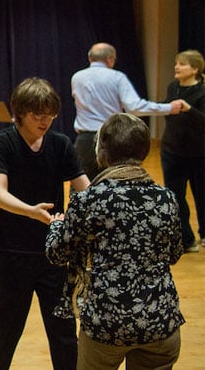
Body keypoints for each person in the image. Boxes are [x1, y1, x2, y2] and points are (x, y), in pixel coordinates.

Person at [46, 112, 184, 370]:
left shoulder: (88, 199)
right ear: (143, 152)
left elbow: (57, 253)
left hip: (106, 322)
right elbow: (174, 254)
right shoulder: (166, 198)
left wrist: (56, 226)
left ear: (102, 152)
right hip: (160, 320)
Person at [0, 78, 90, 370]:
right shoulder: (2, 142)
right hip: (12, 248)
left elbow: (85, 188)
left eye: (50, 114)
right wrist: (32, 212)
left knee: (62, 326)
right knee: (4, 322)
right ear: (20, 113)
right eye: (38, 114)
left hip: (53, 251)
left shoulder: (60, 144)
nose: (45, 120)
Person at [71, 42, 184, 179]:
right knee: (113, 186)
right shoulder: (117, 77)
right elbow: (135, 107)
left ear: (90, 59)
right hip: (111, 139)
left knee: (82, 186)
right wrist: (169, 108)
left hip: (84, 140)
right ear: (110, 59)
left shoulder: (76, 77)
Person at [160, 49, 205, 253]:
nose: (177, 67)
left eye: (183, 64)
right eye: (176, 63)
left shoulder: (202, 91)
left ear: (195, 69)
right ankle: (186, 239)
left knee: (202, 195)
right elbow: (167, 113)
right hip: (172, 151)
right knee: (175, 196)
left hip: (199, 153)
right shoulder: (173, 87)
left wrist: (189, 109)